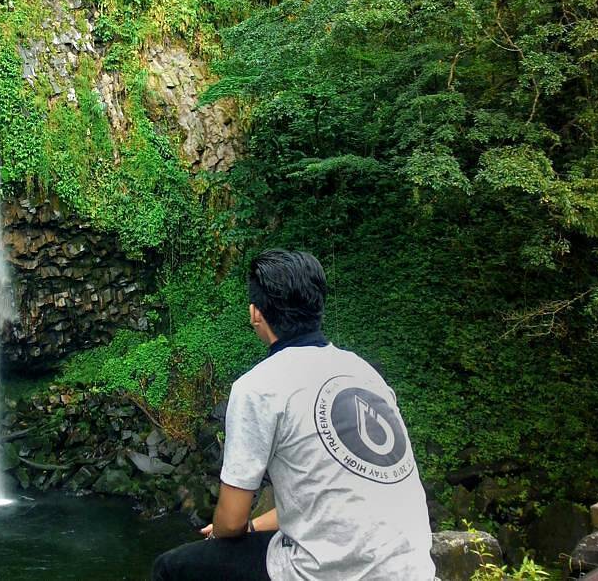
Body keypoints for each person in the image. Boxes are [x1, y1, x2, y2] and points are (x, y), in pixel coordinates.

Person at [151, 249, 436, 581]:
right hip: (410, 567)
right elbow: (325, 499)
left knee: (170, 568)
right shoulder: (366, 374)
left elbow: (230, 522)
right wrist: (254, 526)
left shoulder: (258, 386)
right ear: (318, 306)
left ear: (255, 313)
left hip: (333, 572)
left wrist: (230, 529)